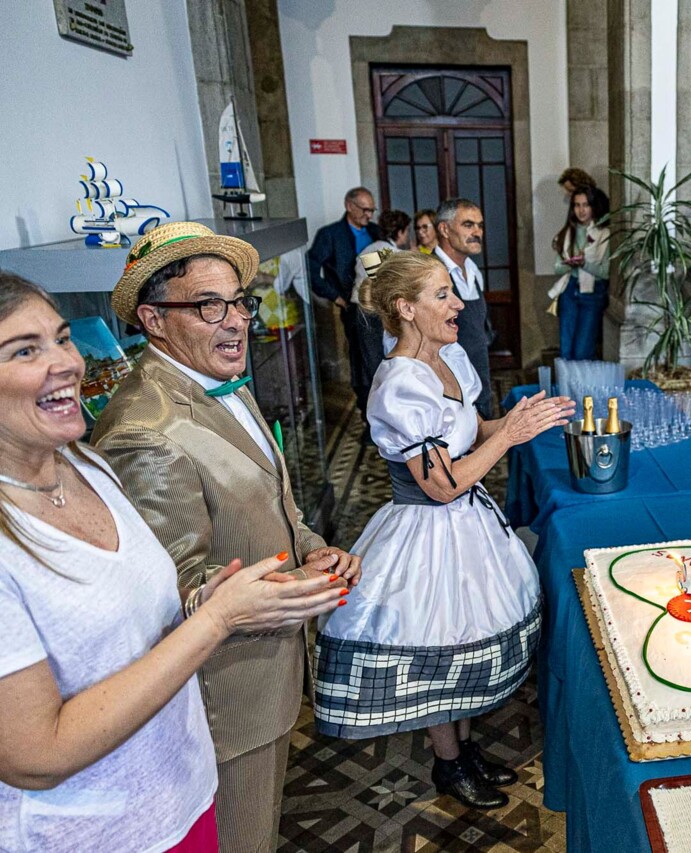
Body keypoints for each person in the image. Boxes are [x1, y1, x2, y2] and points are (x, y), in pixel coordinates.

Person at [88, 222, 362, 852]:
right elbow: (170, 596)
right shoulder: (146, 430)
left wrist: (312, 546)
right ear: (154, 320)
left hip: (265, 671)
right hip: (223, 700)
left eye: (238, 301)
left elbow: (269, 498)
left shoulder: (213, 381)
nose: (236, 321)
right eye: (209, 306)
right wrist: (297, 587)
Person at [315, 252, 574, 808]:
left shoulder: (449, 356)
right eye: (441, 295)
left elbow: (472, 429)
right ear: (405, 308)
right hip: (428, 529)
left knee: (463, 635)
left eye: (453, 290)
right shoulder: (398, 385)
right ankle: (448, 764)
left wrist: (522, 420)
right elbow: (440, 484)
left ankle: (466, 748)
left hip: (469, 523)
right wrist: (507, 440)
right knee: (438, 641)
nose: (458, 303)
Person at [307, 187, 384, 415]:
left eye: (372, 210)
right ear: (349, 206)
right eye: (365, 209)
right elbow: (310, 270)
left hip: (381, 307)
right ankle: (368, 414)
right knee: (362, 363)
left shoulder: (375, 231)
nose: (369, 215)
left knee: (382, 359)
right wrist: (337, 298)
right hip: (354, 309)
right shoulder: (329, 235)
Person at [433, 198, 495, 418]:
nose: (477, 232)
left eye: (480, 225)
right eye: (468, 225)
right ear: (445, 229)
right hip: (449, 389)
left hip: (479, 375)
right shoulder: (430, 274)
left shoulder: (473, 270)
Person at [549, 186, 611, 359]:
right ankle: (566, 385)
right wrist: (572, 264)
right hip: (569, 290)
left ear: (593, 207)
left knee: (583, 351)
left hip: (592, 292)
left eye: (585, 205)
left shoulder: (603, 234)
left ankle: (581, 386)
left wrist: (584, 264)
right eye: (577, 205)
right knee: (566, 349)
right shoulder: (567, 232)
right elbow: (557, 268)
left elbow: (606, 273)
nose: (581, 210)